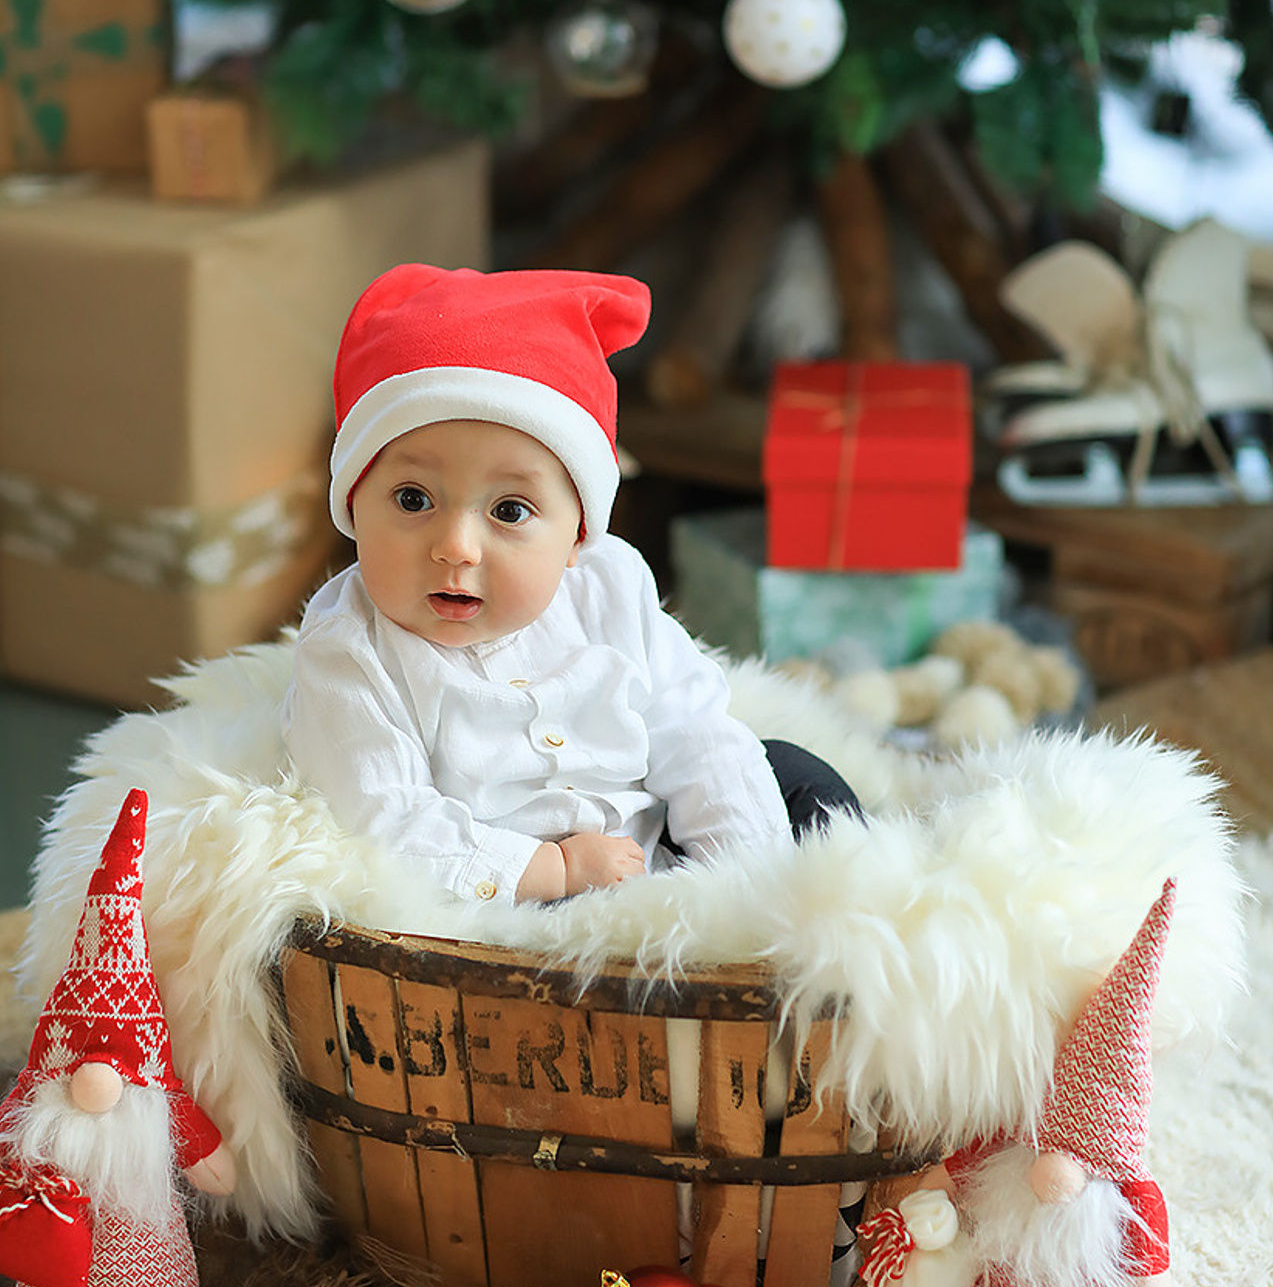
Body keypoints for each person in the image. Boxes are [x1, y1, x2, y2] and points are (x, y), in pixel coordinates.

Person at [283, 262, 862, 907]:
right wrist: (550, 869)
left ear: (577, 536)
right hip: (517, 890)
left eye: (509, 511)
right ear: (354, 504)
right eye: (413, 499)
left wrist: (746, 883)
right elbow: (385, 820)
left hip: (656, 840)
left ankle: (821, 914)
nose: (456, 546)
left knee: (791, 775)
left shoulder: (609, 587)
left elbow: (694, 732)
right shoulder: (350, 651)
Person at [858, 881, 1175, 1287]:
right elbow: (967, 1162)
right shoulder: (1009, 1144)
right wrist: (939, 1185)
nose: (1053, 1174)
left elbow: (1150, 1270)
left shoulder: (1128, 1193)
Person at [0, 790, 238, 1287]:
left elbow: (215, 1170)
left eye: (115, 1064)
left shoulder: (162, 1107)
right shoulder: (32, 1108)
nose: (96, 1081)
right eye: (82, 1062)